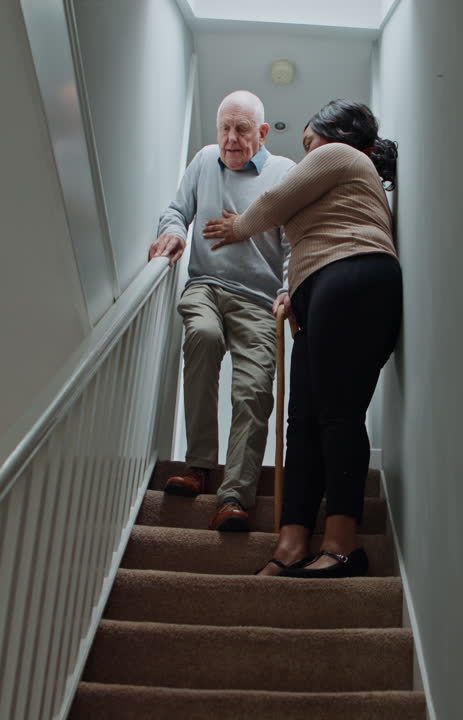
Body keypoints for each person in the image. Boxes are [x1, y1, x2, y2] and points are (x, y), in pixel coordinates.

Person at [203, 99, 401, 578]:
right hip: (324, 291)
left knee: (336, 415)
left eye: (309, 142)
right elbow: (304, 238)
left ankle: (344, 544)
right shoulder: (337, 177)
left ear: (333, 136)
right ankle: (292, 542)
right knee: (302, 422)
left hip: (352, 277)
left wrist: (236, 227)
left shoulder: (344, 156)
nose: (308, 152)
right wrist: (293, 290)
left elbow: (273, 204)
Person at [150, 90, 294, 532]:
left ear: (262, 133)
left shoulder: (285, 173)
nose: (230, 139)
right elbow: (177, 211)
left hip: (258, 299)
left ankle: (235, 496)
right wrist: (173, 232)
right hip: (206, 287)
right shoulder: (203, 161)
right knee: (203, 337)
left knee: (252, 392)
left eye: (242, 129)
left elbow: (294, 244)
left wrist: (289, 289)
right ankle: (198, 468)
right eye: (225, 128)